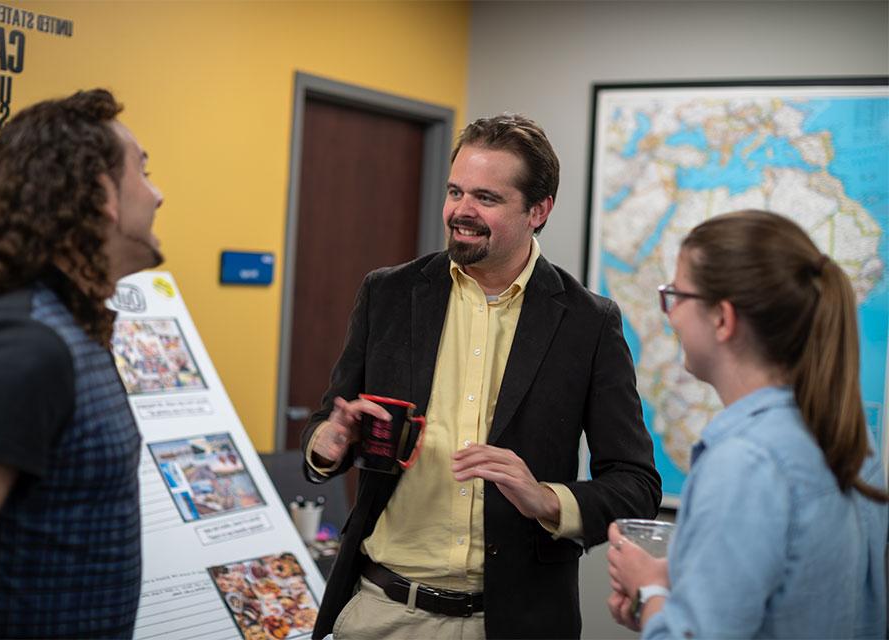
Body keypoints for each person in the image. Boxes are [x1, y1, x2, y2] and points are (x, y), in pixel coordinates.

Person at [302, 113, 662, 639]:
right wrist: (328, 442)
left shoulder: (588, 322)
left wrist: (546, 498)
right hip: (382, 612)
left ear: (538, 210)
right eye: (455, 192)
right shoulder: (389, 294)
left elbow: (636, 485)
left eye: (486, 199)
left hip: (513, 622)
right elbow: (326, 425)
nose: (460, 212)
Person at [0, 89, 164, 638]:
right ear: (103, 192)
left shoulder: (67, 324)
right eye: (144, 171)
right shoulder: (29, 346)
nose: (157, 196)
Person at [606, 210, 888, 638]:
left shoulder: (744, 464)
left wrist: (649, 594)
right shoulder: (849, 434)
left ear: (722, 318)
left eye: (677, 295)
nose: (670, 315)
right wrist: (677, 580)